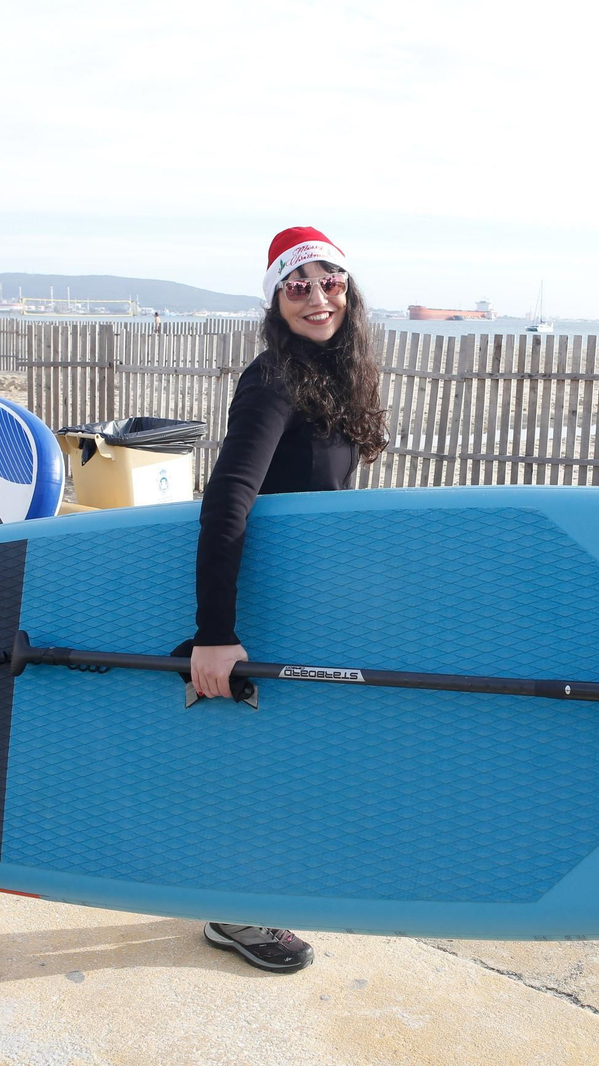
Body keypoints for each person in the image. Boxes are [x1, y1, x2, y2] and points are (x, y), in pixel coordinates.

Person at [189, 227, 387, 974]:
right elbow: (229, 499)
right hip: (258, 600)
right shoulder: (274, 377)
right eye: (297, 285)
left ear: (349, 288)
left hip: (307, 599)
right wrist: (215, 631)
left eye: (328, 280)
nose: (316, 296)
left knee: (295, 754)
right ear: (276, 299)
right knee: (259, 758)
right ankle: (238, 909)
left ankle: (253, 894)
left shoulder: (338, 375)